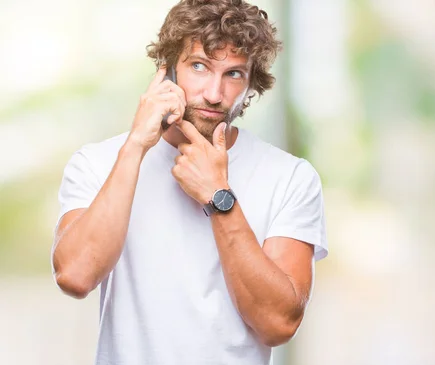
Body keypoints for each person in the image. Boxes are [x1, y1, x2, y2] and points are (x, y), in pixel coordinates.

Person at [51, 0, 328, 364]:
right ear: (167, 70)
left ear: (250, 85)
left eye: (233, 74)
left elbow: (278, 323)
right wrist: (136, 145)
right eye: (199, 66)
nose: (214, 94)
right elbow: (75, 275)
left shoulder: (291, 177)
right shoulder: (97, 163)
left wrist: (218, 196)